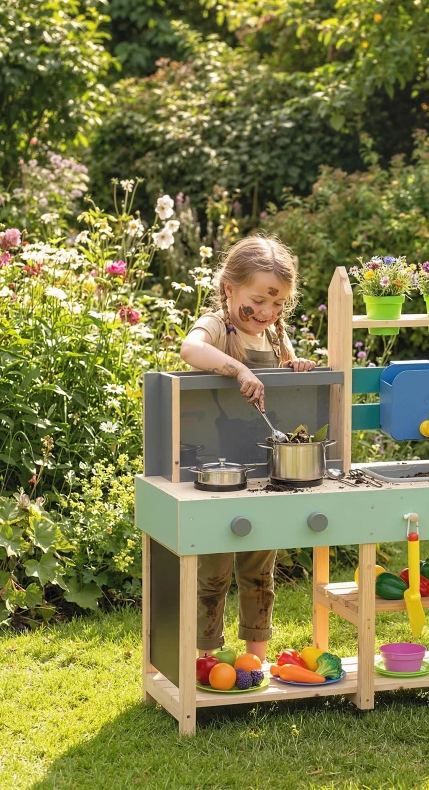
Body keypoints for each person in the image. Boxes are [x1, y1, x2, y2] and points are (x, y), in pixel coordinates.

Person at [179, 235, 316, 660]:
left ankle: (256, 660)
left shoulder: (276, 338)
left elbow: (285, 392)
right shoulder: (219, 326)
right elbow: (189, 348)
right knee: (212, 570)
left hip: (262, 471)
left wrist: (297, 366)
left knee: (260, 569)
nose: (267, 313)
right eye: (258, 300)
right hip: (214, 473)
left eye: (278, 305)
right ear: (229, 289)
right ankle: (206, 659)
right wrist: (236, 367)